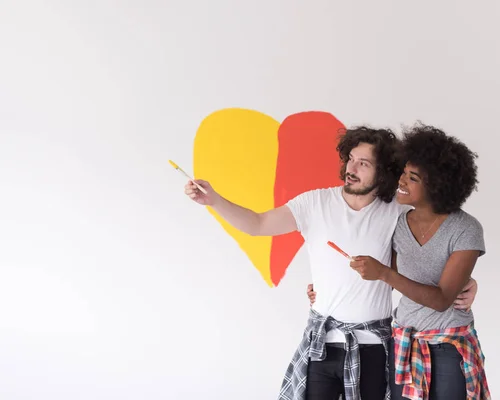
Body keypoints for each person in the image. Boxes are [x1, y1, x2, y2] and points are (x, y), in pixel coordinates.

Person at [184, 126, 479, 400]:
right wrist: (215, 201)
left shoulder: (396, 213)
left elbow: (426, 253)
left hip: (374, 347)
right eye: (351, 159)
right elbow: (258, 224)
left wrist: (467, 283)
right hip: (321, 344)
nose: (351, 168)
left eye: (363, 163)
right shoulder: (314, 203)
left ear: (384, 172)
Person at [310, 123, 490, 399]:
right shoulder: (398, 222)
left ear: (437, 186)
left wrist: (384, 273)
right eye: (403, 173)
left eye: (413, 178)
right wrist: (323, 286)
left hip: (448, 345)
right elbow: (387, 276)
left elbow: (441, 300)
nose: (402, 182)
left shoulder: (465, 228)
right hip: (403, 342)